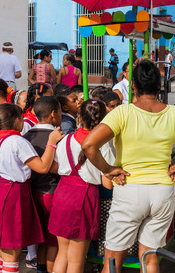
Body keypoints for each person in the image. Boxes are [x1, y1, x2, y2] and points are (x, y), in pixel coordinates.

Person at [82, 60, 175, 273]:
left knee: (112, 260)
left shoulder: (122, 113)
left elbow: (89, 145)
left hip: (130, 190)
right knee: (150, 259)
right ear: (159, 86)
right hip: (162, 193)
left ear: (133, 86)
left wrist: (109, 170)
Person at [0, 103, 64, 273]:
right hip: (12, 196)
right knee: (12, 253)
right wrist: (51, 142)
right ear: (17, 120)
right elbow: (42, 167)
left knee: (1, 251)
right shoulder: (17, 141)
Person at [49, 100, 114, 273]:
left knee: (62, 253)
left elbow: (56, 167)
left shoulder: (65, 140)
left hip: (63, 193)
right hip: (84, 196)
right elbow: (107, 184)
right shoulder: (104, 145)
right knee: (77, 261)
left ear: (79, 118)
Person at [23, 97, 62, 273]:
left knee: (41, 240)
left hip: (31, 193)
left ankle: (40, 269)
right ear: (54, 114)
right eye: (60, 112)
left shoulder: (25, 137)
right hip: (51, 194)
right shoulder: (58, 138)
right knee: (53, 241)